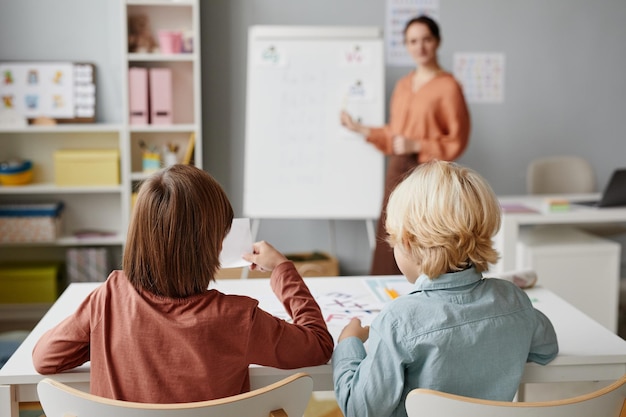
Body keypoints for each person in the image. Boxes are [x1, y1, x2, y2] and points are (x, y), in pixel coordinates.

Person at [32, 164, 334, 403]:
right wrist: (282, 269)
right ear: (212, 246)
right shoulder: (239, 319)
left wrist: (111, 340)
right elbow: (319, 345)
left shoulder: (109, 298)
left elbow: (44, 358)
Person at [332, 160, 559, 417]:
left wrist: (348, 343)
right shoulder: (513, 301)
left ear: (406, 241)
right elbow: (547, 348)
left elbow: (359, 409)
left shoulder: (397, 322)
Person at [340, 15, 470, 275]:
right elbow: (394, 135)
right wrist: (360, 128)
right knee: (391, 236)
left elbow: (457, 140)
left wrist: (418, 144)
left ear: (437, 42)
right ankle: (385, 301)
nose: (420, 47)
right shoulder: (403, 85)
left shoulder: (448, 87)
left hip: (429, 173)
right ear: (407, 46)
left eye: (426, 40)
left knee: (425, 237)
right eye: (413, 41)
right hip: (398, 169)